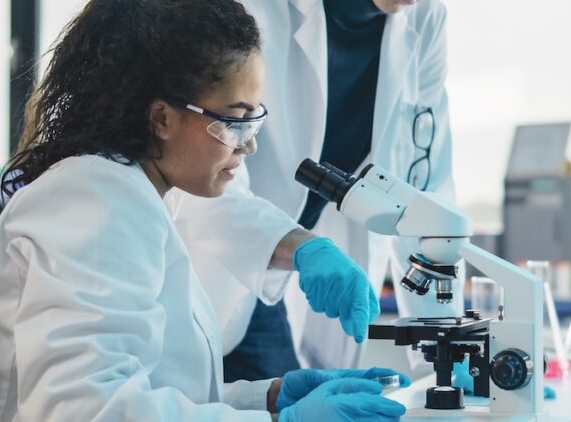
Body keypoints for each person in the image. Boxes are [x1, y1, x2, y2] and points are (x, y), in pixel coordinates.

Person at [0, 0, 408, 419]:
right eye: (235, 122)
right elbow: (85, 411)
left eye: (255, 121)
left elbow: (146, 394)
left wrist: (271, 398)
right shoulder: (95, 204)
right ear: (162, 118)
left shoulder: (138, 196)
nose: (249, 147)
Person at [168, 0, 458, 379]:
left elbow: (424, 191)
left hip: (306, 261)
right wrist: (299, 246)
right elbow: (198, 170)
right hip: (224, 259)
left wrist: (445, 347)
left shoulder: (425, 20)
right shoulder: (252, 9)